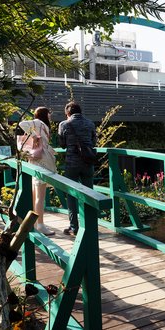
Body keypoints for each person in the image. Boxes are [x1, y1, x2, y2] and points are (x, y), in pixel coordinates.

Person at [58, 101, 97, 236]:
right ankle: (91, 226)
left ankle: (74, 227)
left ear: (68, 113)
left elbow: (62, 144)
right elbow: (93, 142)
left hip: (72, 164)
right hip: (88, 163)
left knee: (71, 195)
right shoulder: (90, 123)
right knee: (89, 194)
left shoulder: (64, 124)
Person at [19, 107, 57, 236]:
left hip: (37, 159)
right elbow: (22, 124)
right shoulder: (39, 123)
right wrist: (35, 136)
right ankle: (40, 224)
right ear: (45, 114)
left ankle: (36, 223)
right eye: (49, 114)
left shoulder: (39, 124)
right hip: (42, 161)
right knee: (40, 195)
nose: (50, 116)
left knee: (36, 194)